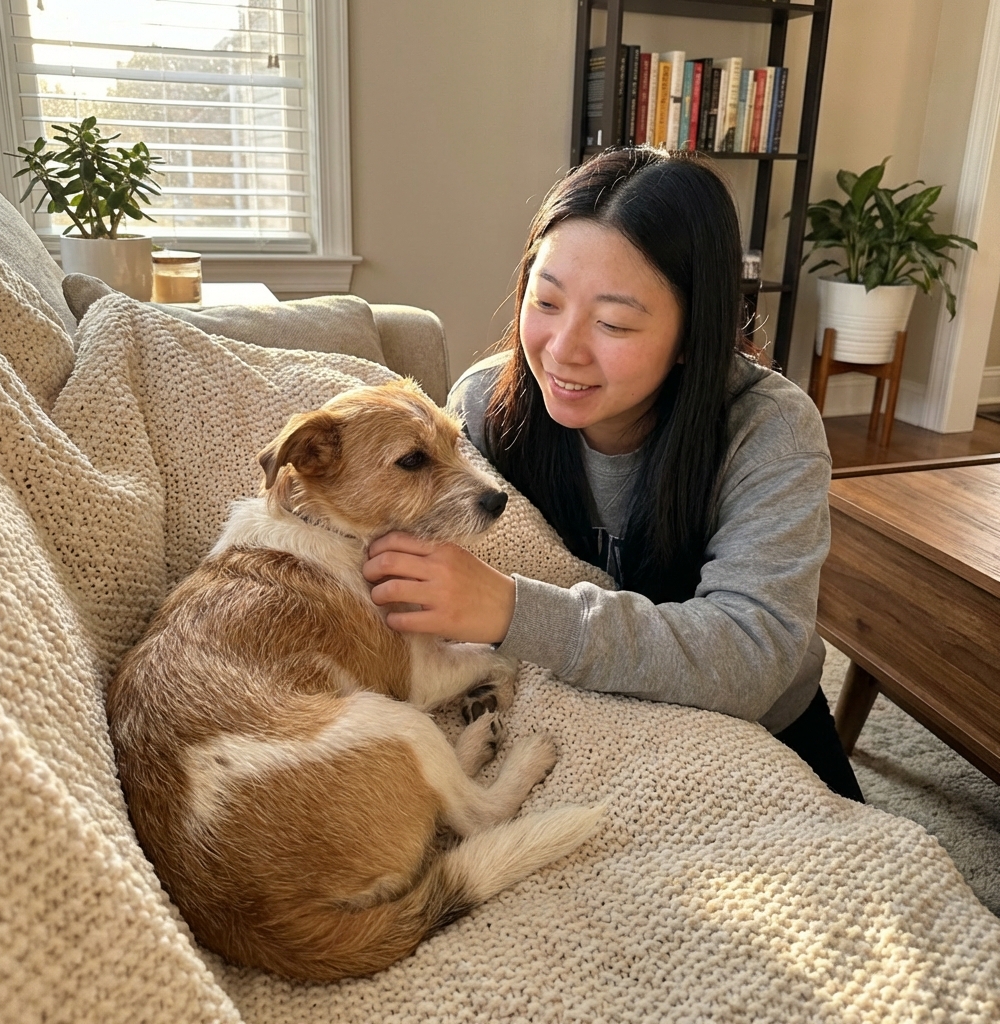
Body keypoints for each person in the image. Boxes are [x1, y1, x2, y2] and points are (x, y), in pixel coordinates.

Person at [362, 147, 863, 802]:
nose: (563, 350)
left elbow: (752, 656)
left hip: (761, 728)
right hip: (585, 715)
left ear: (692, 335)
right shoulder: (484, 408)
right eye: (545, 302)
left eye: (613, 322)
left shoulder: (769, 430)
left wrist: (512, 607)